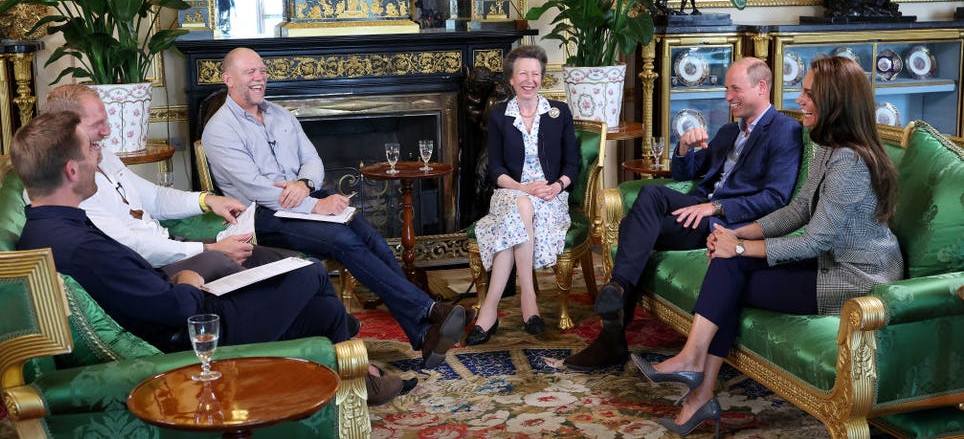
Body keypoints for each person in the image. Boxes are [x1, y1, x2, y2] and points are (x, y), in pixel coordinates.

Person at [14, 112, 412, 406]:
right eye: (91, 152)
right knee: (307, 272)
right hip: (196, 333)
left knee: (323, 310)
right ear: (70, 169)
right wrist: (187, 280)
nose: (98, 160)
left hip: (189, 311)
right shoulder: (79, 244)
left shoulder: (47, 228)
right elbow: (167, 309)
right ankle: (358, 370)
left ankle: (354, 375)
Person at [632, 56, 902, 436]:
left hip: (855, 279)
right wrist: (737, 234)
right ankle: (698, 381)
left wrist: (738, 249)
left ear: (836, 101)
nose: (800, 100)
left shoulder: (850, 161)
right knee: (727, 263)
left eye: (809, 94)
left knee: (731, 272)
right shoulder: (826, 145)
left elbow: (815, 239)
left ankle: (698, 386)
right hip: (826, 260)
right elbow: (795, 212)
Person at [201, 47, 473, 369]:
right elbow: (255, 189)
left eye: (262, 71)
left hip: (303, 196)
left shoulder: (281, 114)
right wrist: (314, 205)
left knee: (367, 234)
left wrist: (305, 185)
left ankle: (423, 331)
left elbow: (313, 159)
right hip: (263, 215)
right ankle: (428, 312)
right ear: (228, 79)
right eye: (250, 73)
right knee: (343, 241)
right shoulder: (219, 130)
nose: (260, 78)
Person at [564, 57, 804, 370]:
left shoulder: (785, 131)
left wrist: (716, 206)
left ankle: (614, 321)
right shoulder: (731, 130)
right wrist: (684, 148)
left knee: (638, 215)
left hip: (727, 224)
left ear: (761, 88)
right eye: (727, 89)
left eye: (735, 89)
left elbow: (775, 198)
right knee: (638, 220)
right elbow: (686, 174)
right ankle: (615, 316)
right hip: (698, 210)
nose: (728, 96)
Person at [42, 84, 297, 283]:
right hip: (154, 268)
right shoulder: (67, 186)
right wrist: (210, 248)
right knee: (270, 274)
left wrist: (207, 200)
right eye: (98, 125)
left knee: (293, 263)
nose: (108, 131)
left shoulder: (103, 155)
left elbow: (153, 197)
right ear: (66, 129)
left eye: (106, 121)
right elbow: (131, 247)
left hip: (174, 244)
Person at [465, 45, 580, 346]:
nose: (530, 80)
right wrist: (522, 188)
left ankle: (488, 313)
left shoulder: (559, 113)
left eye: (536, 74)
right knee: (520, 204)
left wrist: (556, 186)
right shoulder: (500, 115)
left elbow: (572, 165)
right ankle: (529, 299)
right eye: (523, 74)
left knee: (515, 219)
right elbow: (497, 170)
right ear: (512, 80)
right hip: (509, 192)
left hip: (550, 197)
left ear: (542, 78)